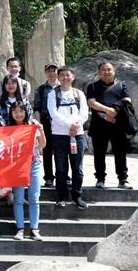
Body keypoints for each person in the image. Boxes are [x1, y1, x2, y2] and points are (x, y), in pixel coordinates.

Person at [47, 67, 89, 209]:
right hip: (59, 135)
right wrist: (70, 125)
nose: (65, 77)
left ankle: (77, 195)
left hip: (77, 135)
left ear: (73, 77)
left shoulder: (79, 94)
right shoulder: (53, 94)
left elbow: (84, 113)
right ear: (58, 78)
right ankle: (62, 196)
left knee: (78, 168)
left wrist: (76, 125)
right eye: (62, 75)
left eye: (68, 75)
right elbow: (53, 113)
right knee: (61, 168)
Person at [87, 62, 133, 189]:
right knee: (99, 154)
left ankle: (123, 179)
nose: (106, 72)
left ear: (114, 71)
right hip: (98, 126)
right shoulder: (93, 86)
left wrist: (115, 111)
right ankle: (100, 179)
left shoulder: (121, 85)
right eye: (103, 69)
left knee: (120, 153)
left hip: (118, 126)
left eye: (109, 69)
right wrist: (108, 111)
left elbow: (127, 100)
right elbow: (91, 102)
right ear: (99, 72)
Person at [9, 101, 46, 241]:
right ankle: (20, 229)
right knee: (18, 198)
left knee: (34, 198)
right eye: (15, 111)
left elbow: (42, 145)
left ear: (26, 111)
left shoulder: (33, 126)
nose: (18, 114)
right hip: (17, 167)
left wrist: (41, 131)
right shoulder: (9, 129)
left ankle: (34, 229)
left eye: (21, 111)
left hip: (33, 164)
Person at [33, 63, 60, 187]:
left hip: (61, 123)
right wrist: (38, 124)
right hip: (45, 122)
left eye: (54, 70)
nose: (52, 73)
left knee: (62, 150)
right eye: (49, 70)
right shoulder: (41, 89)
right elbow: (37, 107)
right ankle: (49, 177)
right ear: (45, 73)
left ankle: (64, 176)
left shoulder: (63, 87)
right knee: (47, 150)